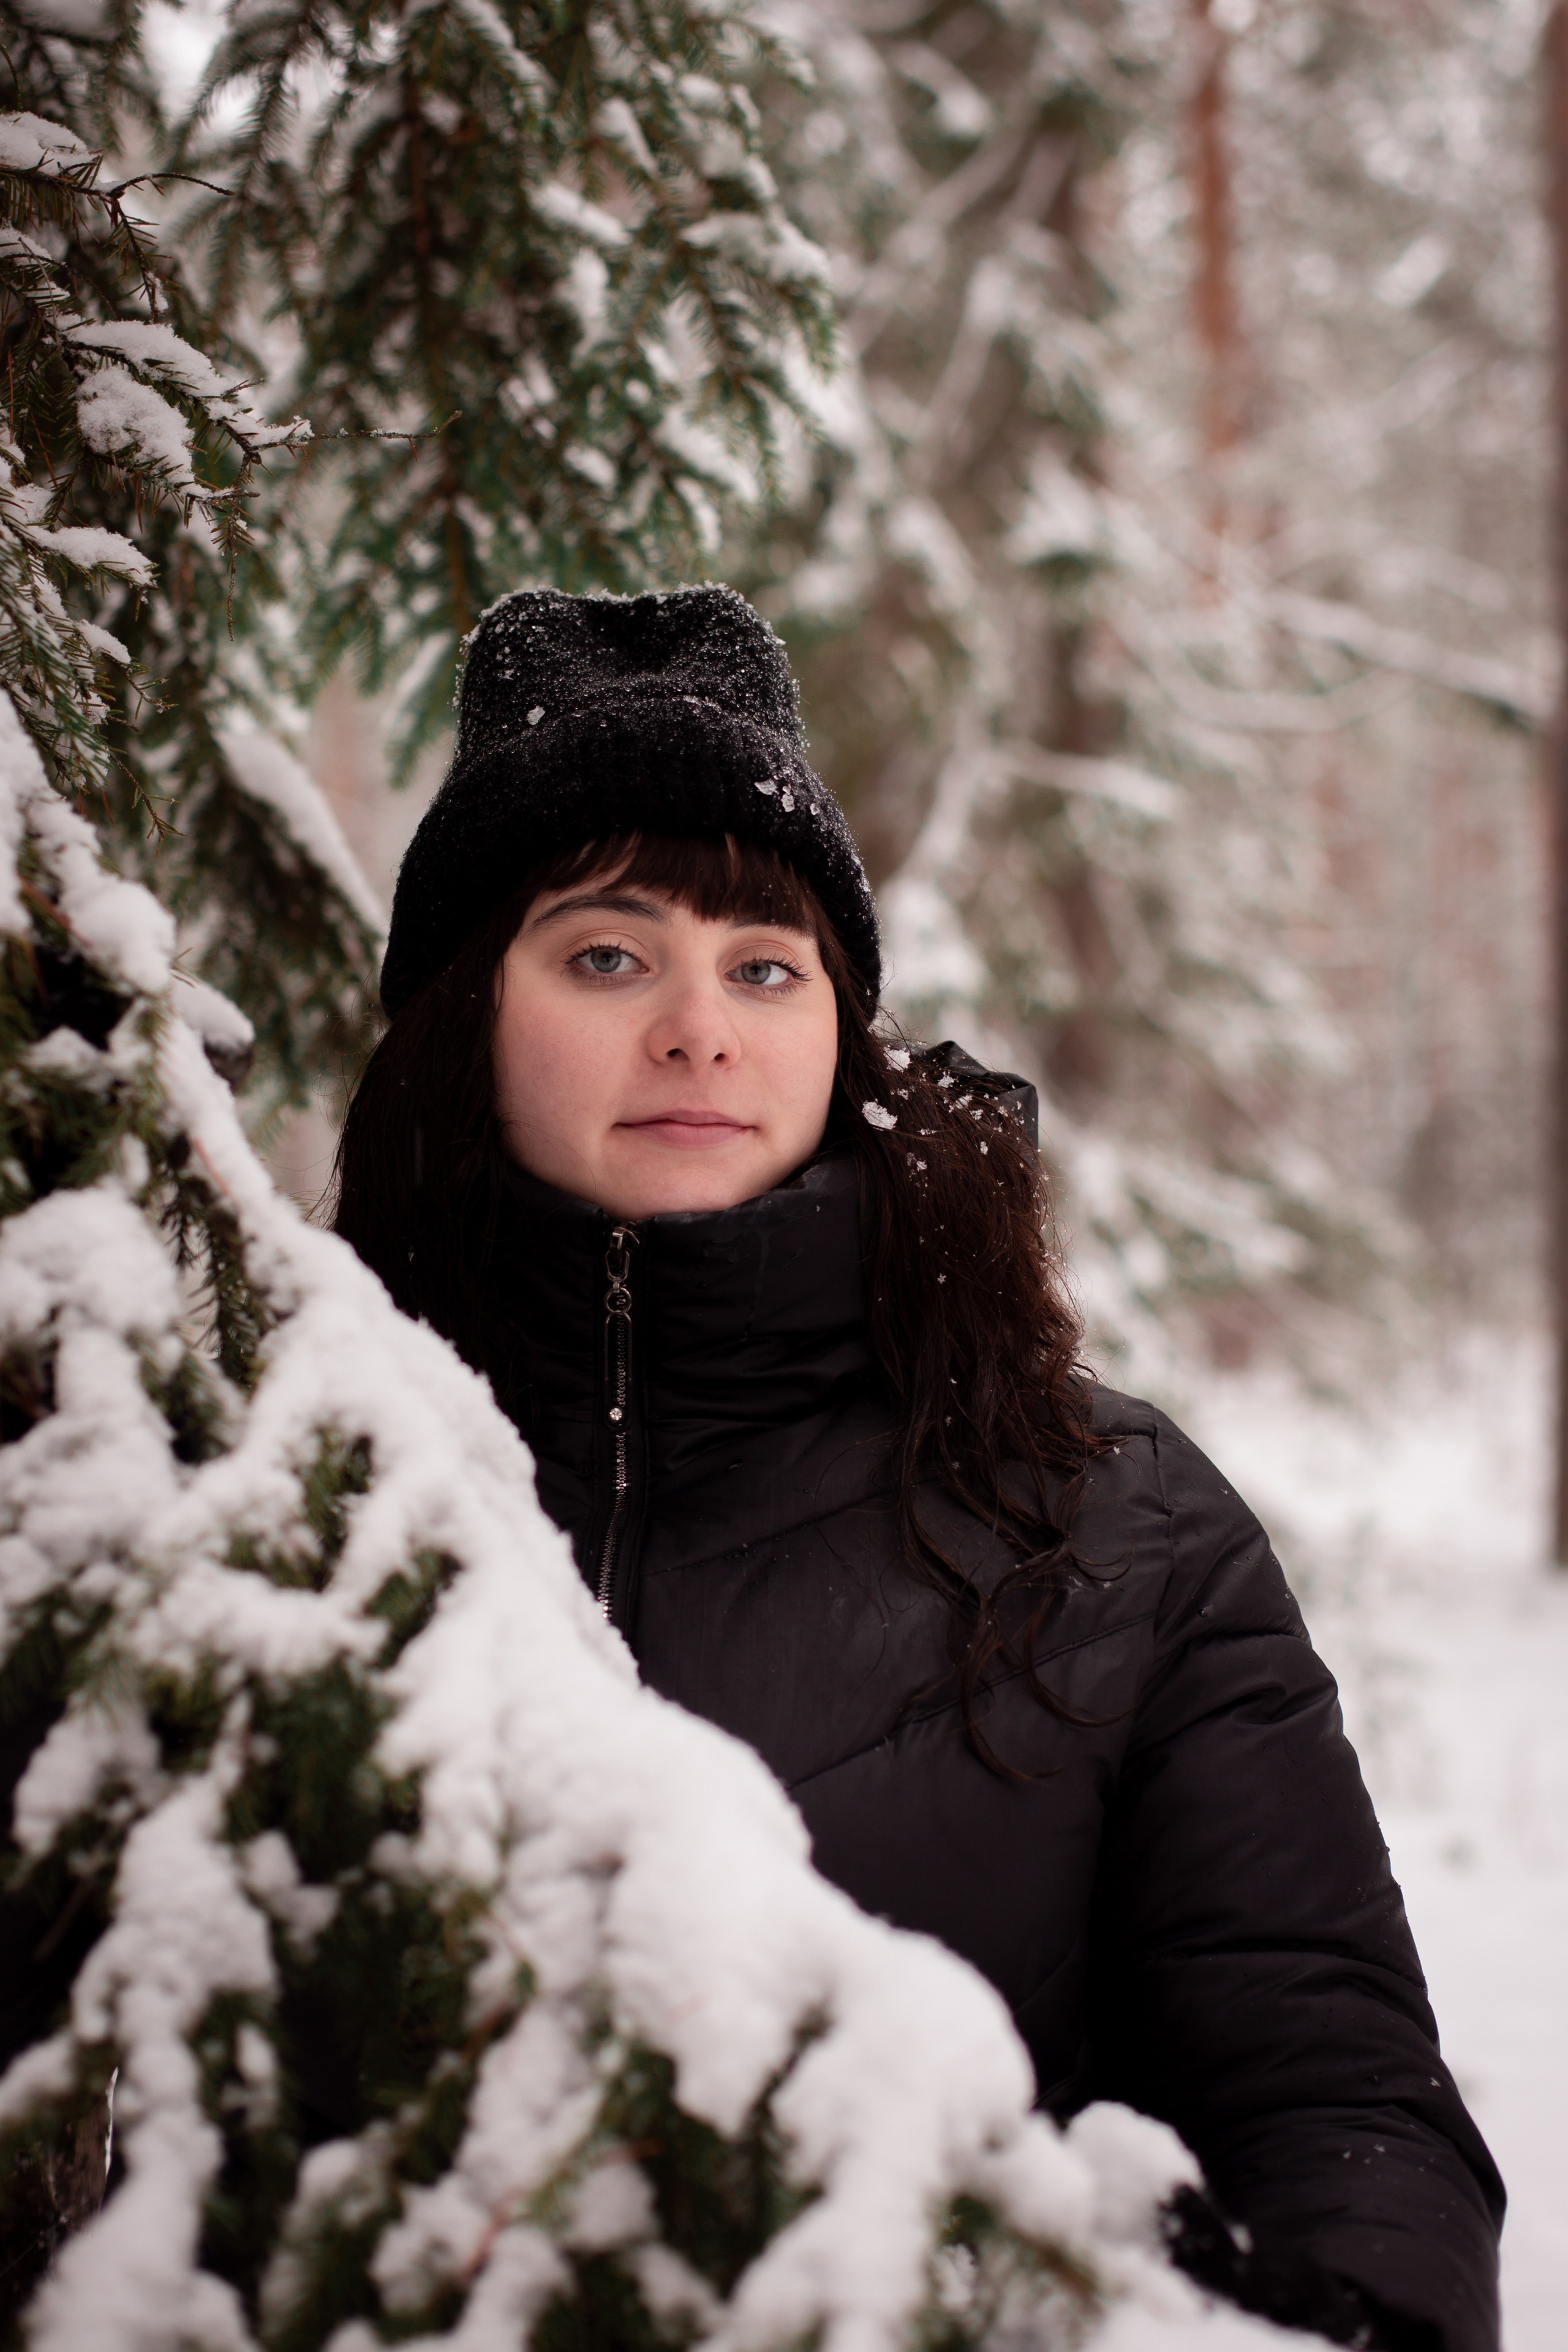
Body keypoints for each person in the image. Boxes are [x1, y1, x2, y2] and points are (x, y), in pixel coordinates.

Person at [335, 584, 1503, 2352]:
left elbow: (1335, 2109)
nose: (701, 1028)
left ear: (840, 1033)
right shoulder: (272, 1485)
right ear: (463, 1018)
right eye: (607, 956)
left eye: (766, 967)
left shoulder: (1115, 1524)